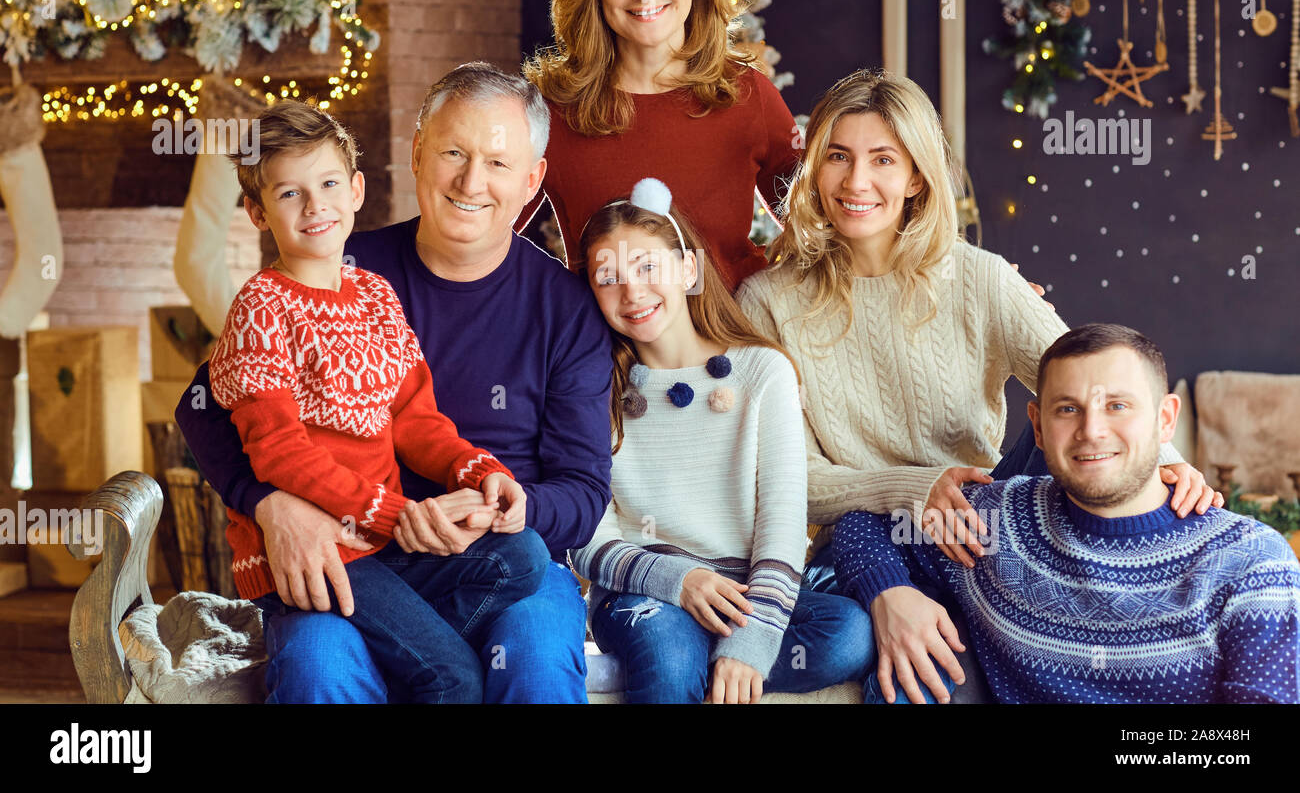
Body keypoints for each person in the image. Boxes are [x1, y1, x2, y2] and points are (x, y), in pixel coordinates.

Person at [735, 68, 1222, 703]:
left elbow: (1090, 384)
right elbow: (791, 480)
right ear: (815, 167)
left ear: (916, 176)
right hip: (862, 528)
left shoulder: (981, 279)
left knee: (1080, 439)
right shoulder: (768, 302)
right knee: (909, 680)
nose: (856, 182)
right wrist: (917, 488)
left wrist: (1170, 462)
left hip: (981, 509)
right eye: (838, 156)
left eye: (884, 159)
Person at [176, 63, 613, 703]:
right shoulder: (338, 265)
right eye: (454, 153)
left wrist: (501, 500)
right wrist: (272, 505)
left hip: (490, 548)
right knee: (322, 667)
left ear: (532, 179)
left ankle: (426, 654)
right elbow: (204, 406)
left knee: (537, 657)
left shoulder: (565, 308)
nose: (471, 181)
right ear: (416, 154)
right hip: (340, 535)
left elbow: (581, 491)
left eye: (497, 162)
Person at [834, 323, 1300, 703]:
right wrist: (888, 593)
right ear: (1037, 426)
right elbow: (864, 525)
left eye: (1117, 406)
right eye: (1067, 409)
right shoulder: (997, 520)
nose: (1091, 431)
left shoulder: (1251, 561)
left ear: (1165, 420)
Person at [569, 179, 873, 703]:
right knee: (668, 654)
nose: (633, 292)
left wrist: (751, 643)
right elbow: (586, 537)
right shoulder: (594, 389)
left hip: (745, 594)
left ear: (687, 269)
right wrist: (678, 581)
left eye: (647, 268)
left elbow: (782, 519)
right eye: (608, 278)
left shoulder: (761, 372)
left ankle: (702, 669)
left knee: (848, 633)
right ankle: (682, 667)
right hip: (645, 590)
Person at [519, 0, 799, 290]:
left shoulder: (747, 94)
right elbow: (484, 229)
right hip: (607, 351)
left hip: (737, 344)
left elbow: (823, 221)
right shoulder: (551, 109)